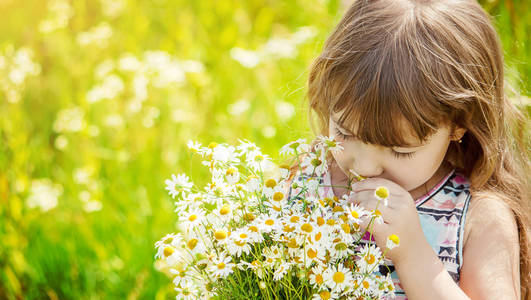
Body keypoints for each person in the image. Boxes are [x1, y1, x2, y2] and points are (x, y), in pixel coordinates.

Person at [298, 0, 530, 299]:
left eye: (399, 150)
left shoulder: (478, 216)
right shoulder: (313, 181)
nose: (365, 167)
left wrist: (412, 255)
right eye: (345, 132)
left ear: (459, 124)